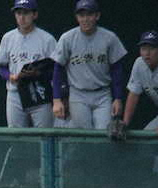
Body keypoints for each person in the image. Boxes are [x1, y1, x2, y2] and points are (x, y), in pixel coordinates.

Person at [51, 0, 127, 130]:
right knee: (84, 134)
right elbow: (58, 69)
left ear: (97, 16)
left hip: (103, 93)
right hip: (78, 93)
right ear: (77, 17)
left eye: (89, 15)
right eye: (81, 15)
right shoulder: (67, 38)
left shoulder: (109, 37)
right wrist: (56, 99)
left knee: (104, 132)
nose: (85, 19)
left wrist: (118, 98)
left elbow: (117, 70)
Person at [0, 0, 57, 128]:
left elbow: (56, 69)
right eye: (18, 13)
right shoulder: (8, 37)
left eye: (26, 13)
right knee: (17, 137)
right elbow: (1, 67)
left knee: (44, 137)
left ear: (34, 15)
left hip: (40, 93)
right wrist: (10, 76)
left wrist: (39, 73)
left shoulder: (47, 39)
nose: (22, 17)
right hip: (15, 92)